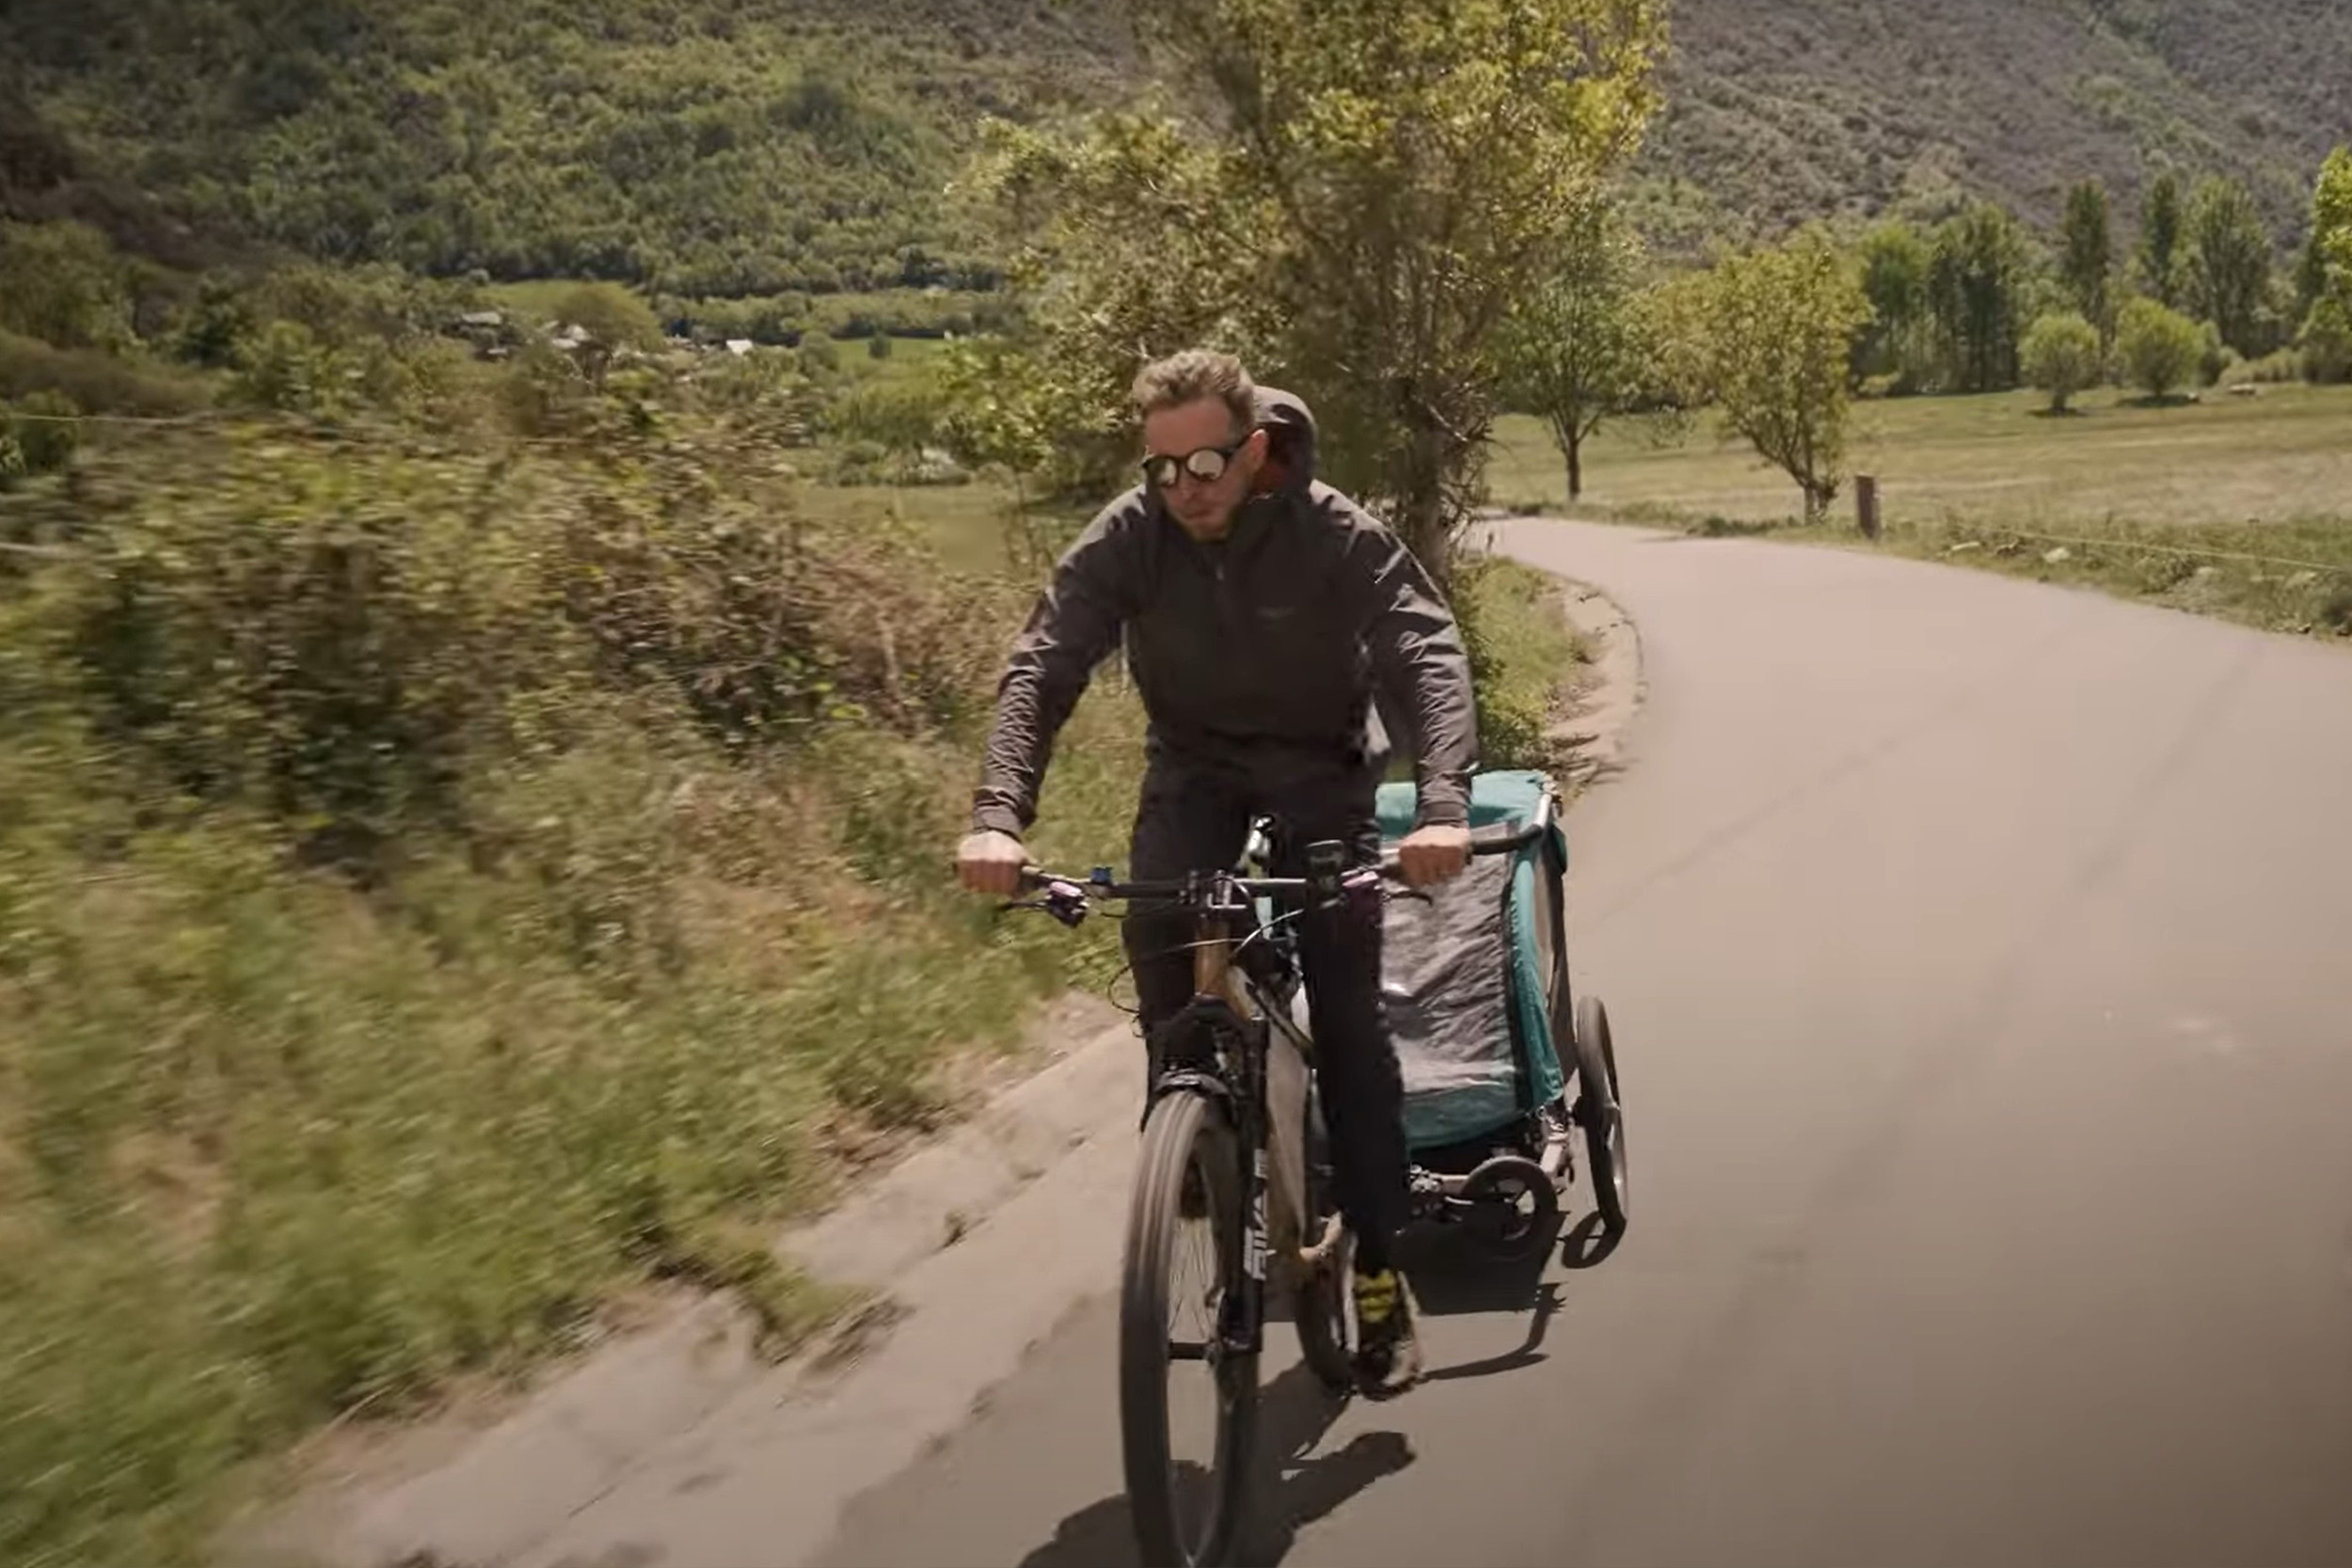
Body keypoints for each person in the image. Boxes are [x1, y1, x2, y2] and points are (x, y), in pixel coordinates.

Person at [955, 349, 1478, 1396]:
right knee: (1153, 918)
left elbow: (1424, 649)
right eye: (1163, 466)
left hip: (1320, 770)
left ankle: (1377, 1264)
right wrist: (997, 816)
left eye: (1206, 462)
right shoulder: (1133, 534)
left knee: (1350, 1021)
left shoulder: (1332, 531)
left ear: (1255, 449)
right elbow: (1045, 660)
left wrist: (1443, 803)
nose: (1184, 487)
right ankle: (1192, 1121)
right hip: (1194, 768)